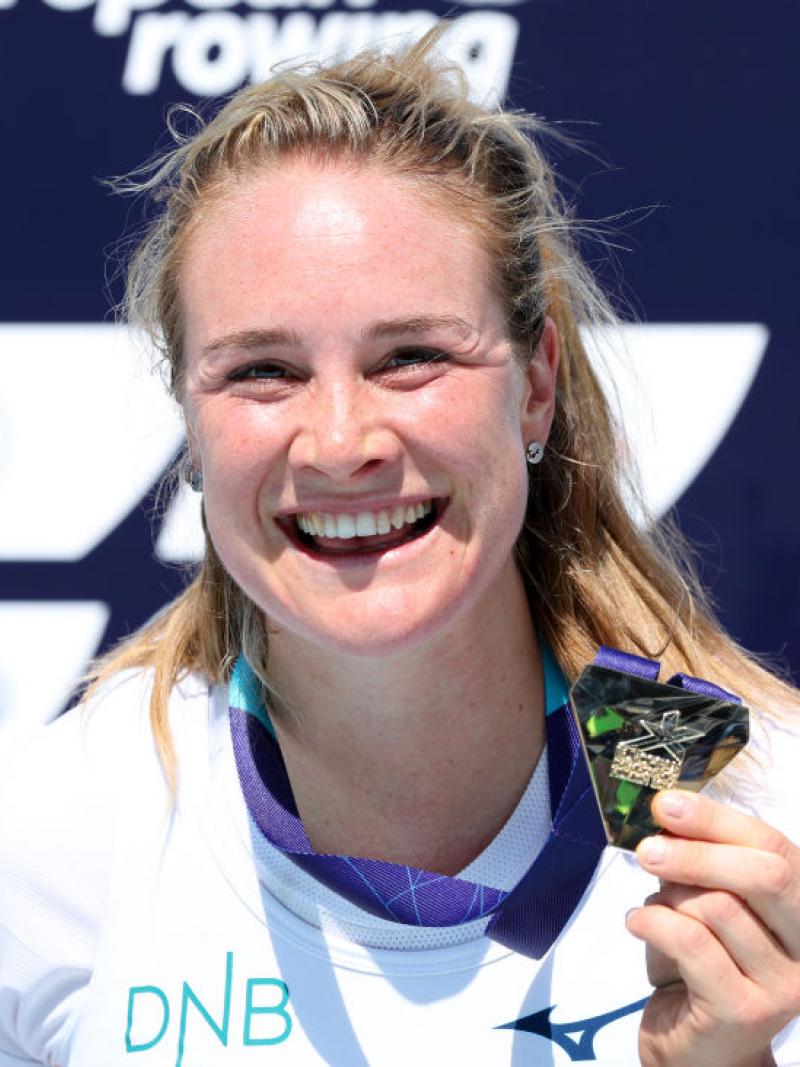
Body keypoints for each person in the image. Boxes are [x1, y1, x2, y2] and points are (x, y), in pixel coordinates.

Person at [2, 25, 800, 1066]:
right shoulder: (63, 824)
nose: (342, 440)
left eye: (412, 356)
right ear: (190, 422)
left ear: (536, 383)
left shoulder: (756, 807)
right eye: (262, 371)